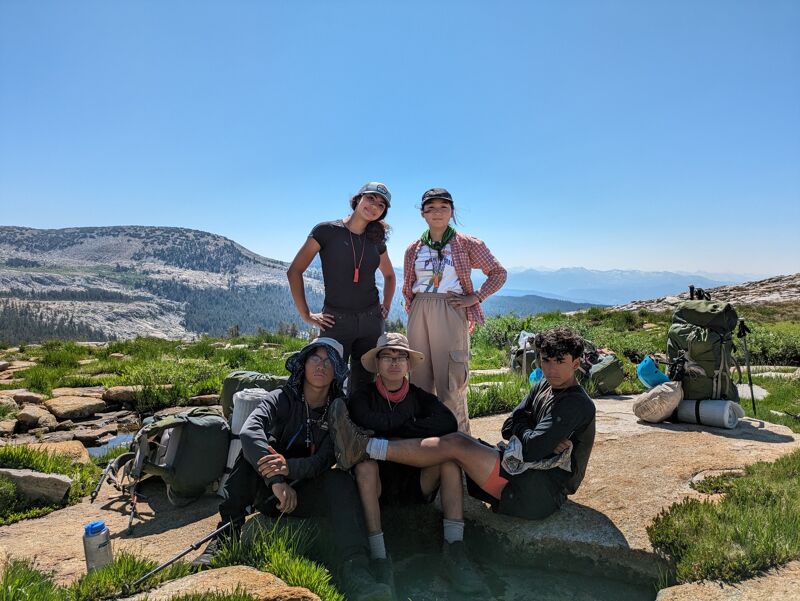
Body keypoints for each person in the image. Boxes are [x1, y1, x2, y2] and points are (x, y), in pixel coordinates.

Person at [192, 337, 392, 601]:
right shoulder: (281, 398)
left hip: (307, 490)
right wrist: (277, 478)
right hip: (270, 491)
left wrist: (290, 469)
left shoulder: (338, 410)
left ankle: (356, 569)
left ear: (336, 372)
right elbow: (250, 431)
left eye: (329, 361)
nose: (321, 366)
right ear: (304, 364)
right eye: (315, 359)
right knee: (249, 455)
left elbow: (323, 459)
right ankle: (225, 535)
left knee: (340, 481)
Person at [331, 327, 596, 521]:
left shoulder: (574, 403)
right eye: (546, 361)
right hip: (524, 473)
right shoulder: (544, 386)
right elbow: (509, 424)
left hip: (539, 491)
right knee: (461, 443)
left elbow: (532, 449)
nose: (551, 369)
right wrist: (528, 429)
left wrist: (527, 432)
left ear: (576, 363)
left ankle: (367, 447)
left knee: (457, 444)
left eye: (560, 362)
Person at [346, 332, 484, 594]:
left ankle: (454, 550)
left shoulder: (420, 397)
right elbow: (364, 419)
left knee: (448, 461)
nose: (394, 362)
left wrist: (397, 430)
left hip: (417, 482)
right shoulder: (361, 396)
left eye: (401, 357)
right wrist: (416, 430)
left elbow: (448, 423)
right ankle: (379, 557)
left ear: (409, 365)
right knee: (365, 466)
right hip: (378, 487)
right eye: (387, 356)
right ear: (377, 363)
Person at [402, 187, 507, 433]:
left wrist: (476, 297)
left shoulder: (467, 244)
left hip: (450, 307)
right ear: (423, 214)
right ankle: (425, 440)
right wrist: (414, 308)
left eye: (443, 208)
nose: (437, 213)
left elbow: (498, 273)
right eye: (431, 208)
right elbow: (408, 285)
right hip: (419, 308)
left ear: (451, 212)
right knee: (419, 378)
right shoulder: (414, 248)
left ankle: (460, 442)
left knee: (450, 378)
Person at [288, 182, 396, 395]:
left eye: (381, 205)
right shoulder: (326, 231)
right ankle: (326, 426)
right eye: (371, 198)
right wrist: (306, 315)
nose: (374, 206)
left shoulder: (376, 240)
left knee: (364, 384)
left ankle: (359, 428)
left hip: (371, 322)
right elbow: (294, 271)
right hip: (335, 321)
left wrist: (386, 305)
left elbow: (390, 275)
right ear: (358, 199)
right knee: (326, 381)